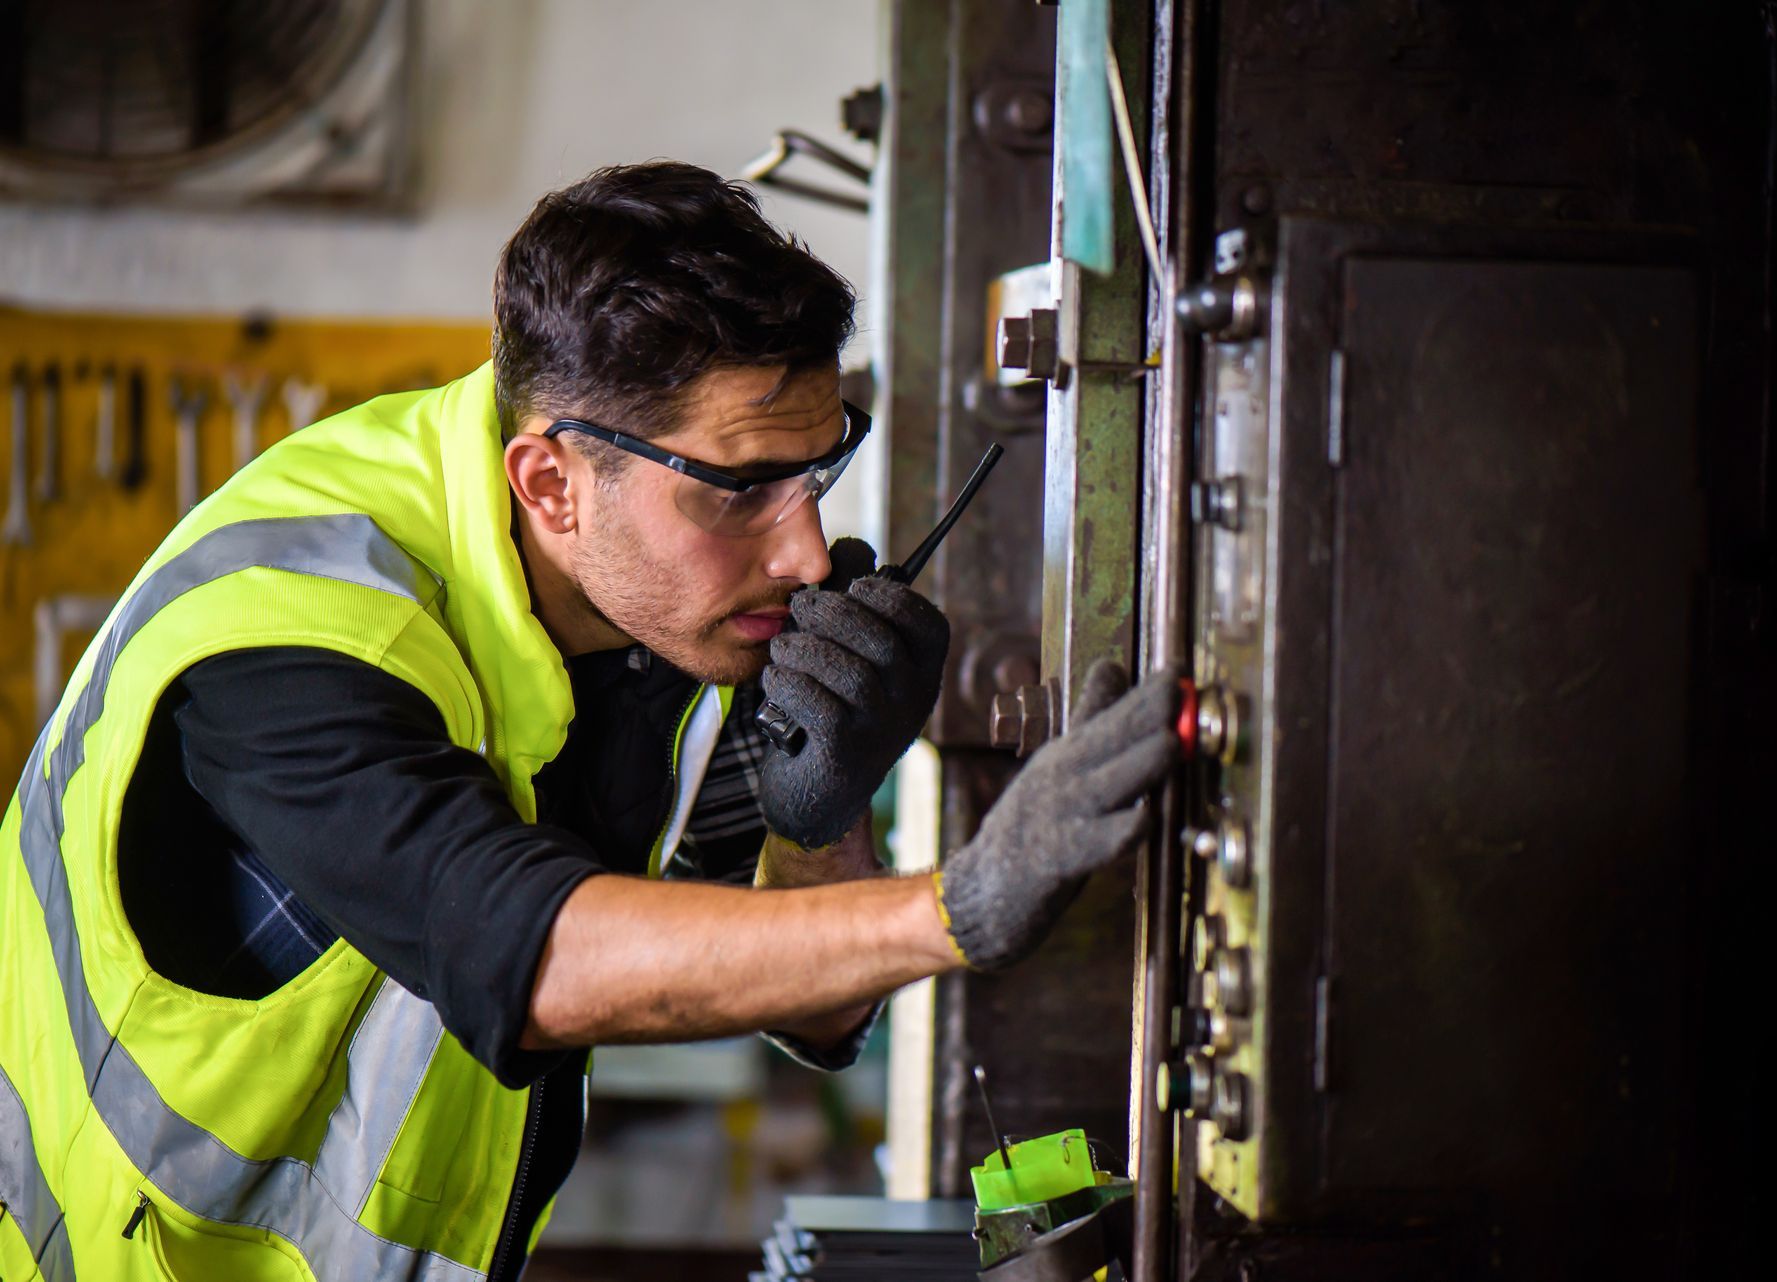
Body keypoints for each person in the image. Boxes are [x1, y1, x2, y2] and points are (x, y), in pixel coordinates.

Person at [0, 162, 1179, 1282]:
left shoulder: (659, 607)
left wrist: (819, 817)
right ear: (551, 482)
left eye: (815, 475)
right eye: (741, 487)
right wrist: (958, 906)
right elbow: (540, 957)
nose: (807, 551)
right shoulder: (287, 638)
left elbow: (807, 995)